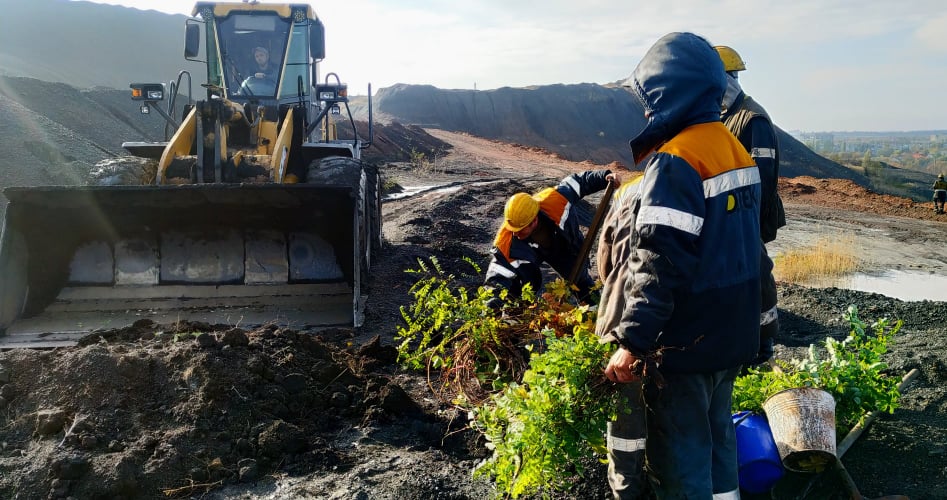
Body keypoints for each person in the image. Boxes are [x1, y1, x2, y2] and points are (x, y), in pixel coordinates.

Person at [601, 32, 771, 498]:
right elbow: (752, 250)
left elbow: (660, 261)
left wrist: (631, 341)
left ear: (666, 92)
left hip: (688, 345)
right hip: (730, 336)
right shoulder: (731, 147)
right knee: (720, 450)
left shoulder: (676, 161)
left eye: (647, 96)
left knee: (683, 460)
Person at [715, 44, 785, 365]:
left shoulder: (751, 119)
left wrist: (748, 222)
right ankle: (743, 340)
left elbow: (763, 179)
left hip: (749, 215)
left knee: (757, 275)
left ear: (725, 78)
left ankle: (763, 346)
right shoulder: (724, 117)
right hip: (732, 216)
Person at [483, 169, 619, 307]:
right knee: (516, 294)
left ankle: (594, 309)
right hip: (530, 254)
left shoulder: (556, 200)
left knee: (580, 280)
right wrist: (493, 299)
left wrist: (603, 177)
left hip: (561, 245)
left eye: (520, 229)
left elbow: (579, 182)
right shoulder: (507, 240)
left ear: (534, 221)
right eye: (512, 229)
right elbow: (498, 273)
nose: (515, 233)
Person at [595, 175, 651, 499]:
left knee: (625, 417)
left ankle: (626, 488)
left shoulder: (627, 191)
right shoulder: (691, 180)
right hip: (668, 324)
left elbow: (604, 262)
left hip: (621, 318)